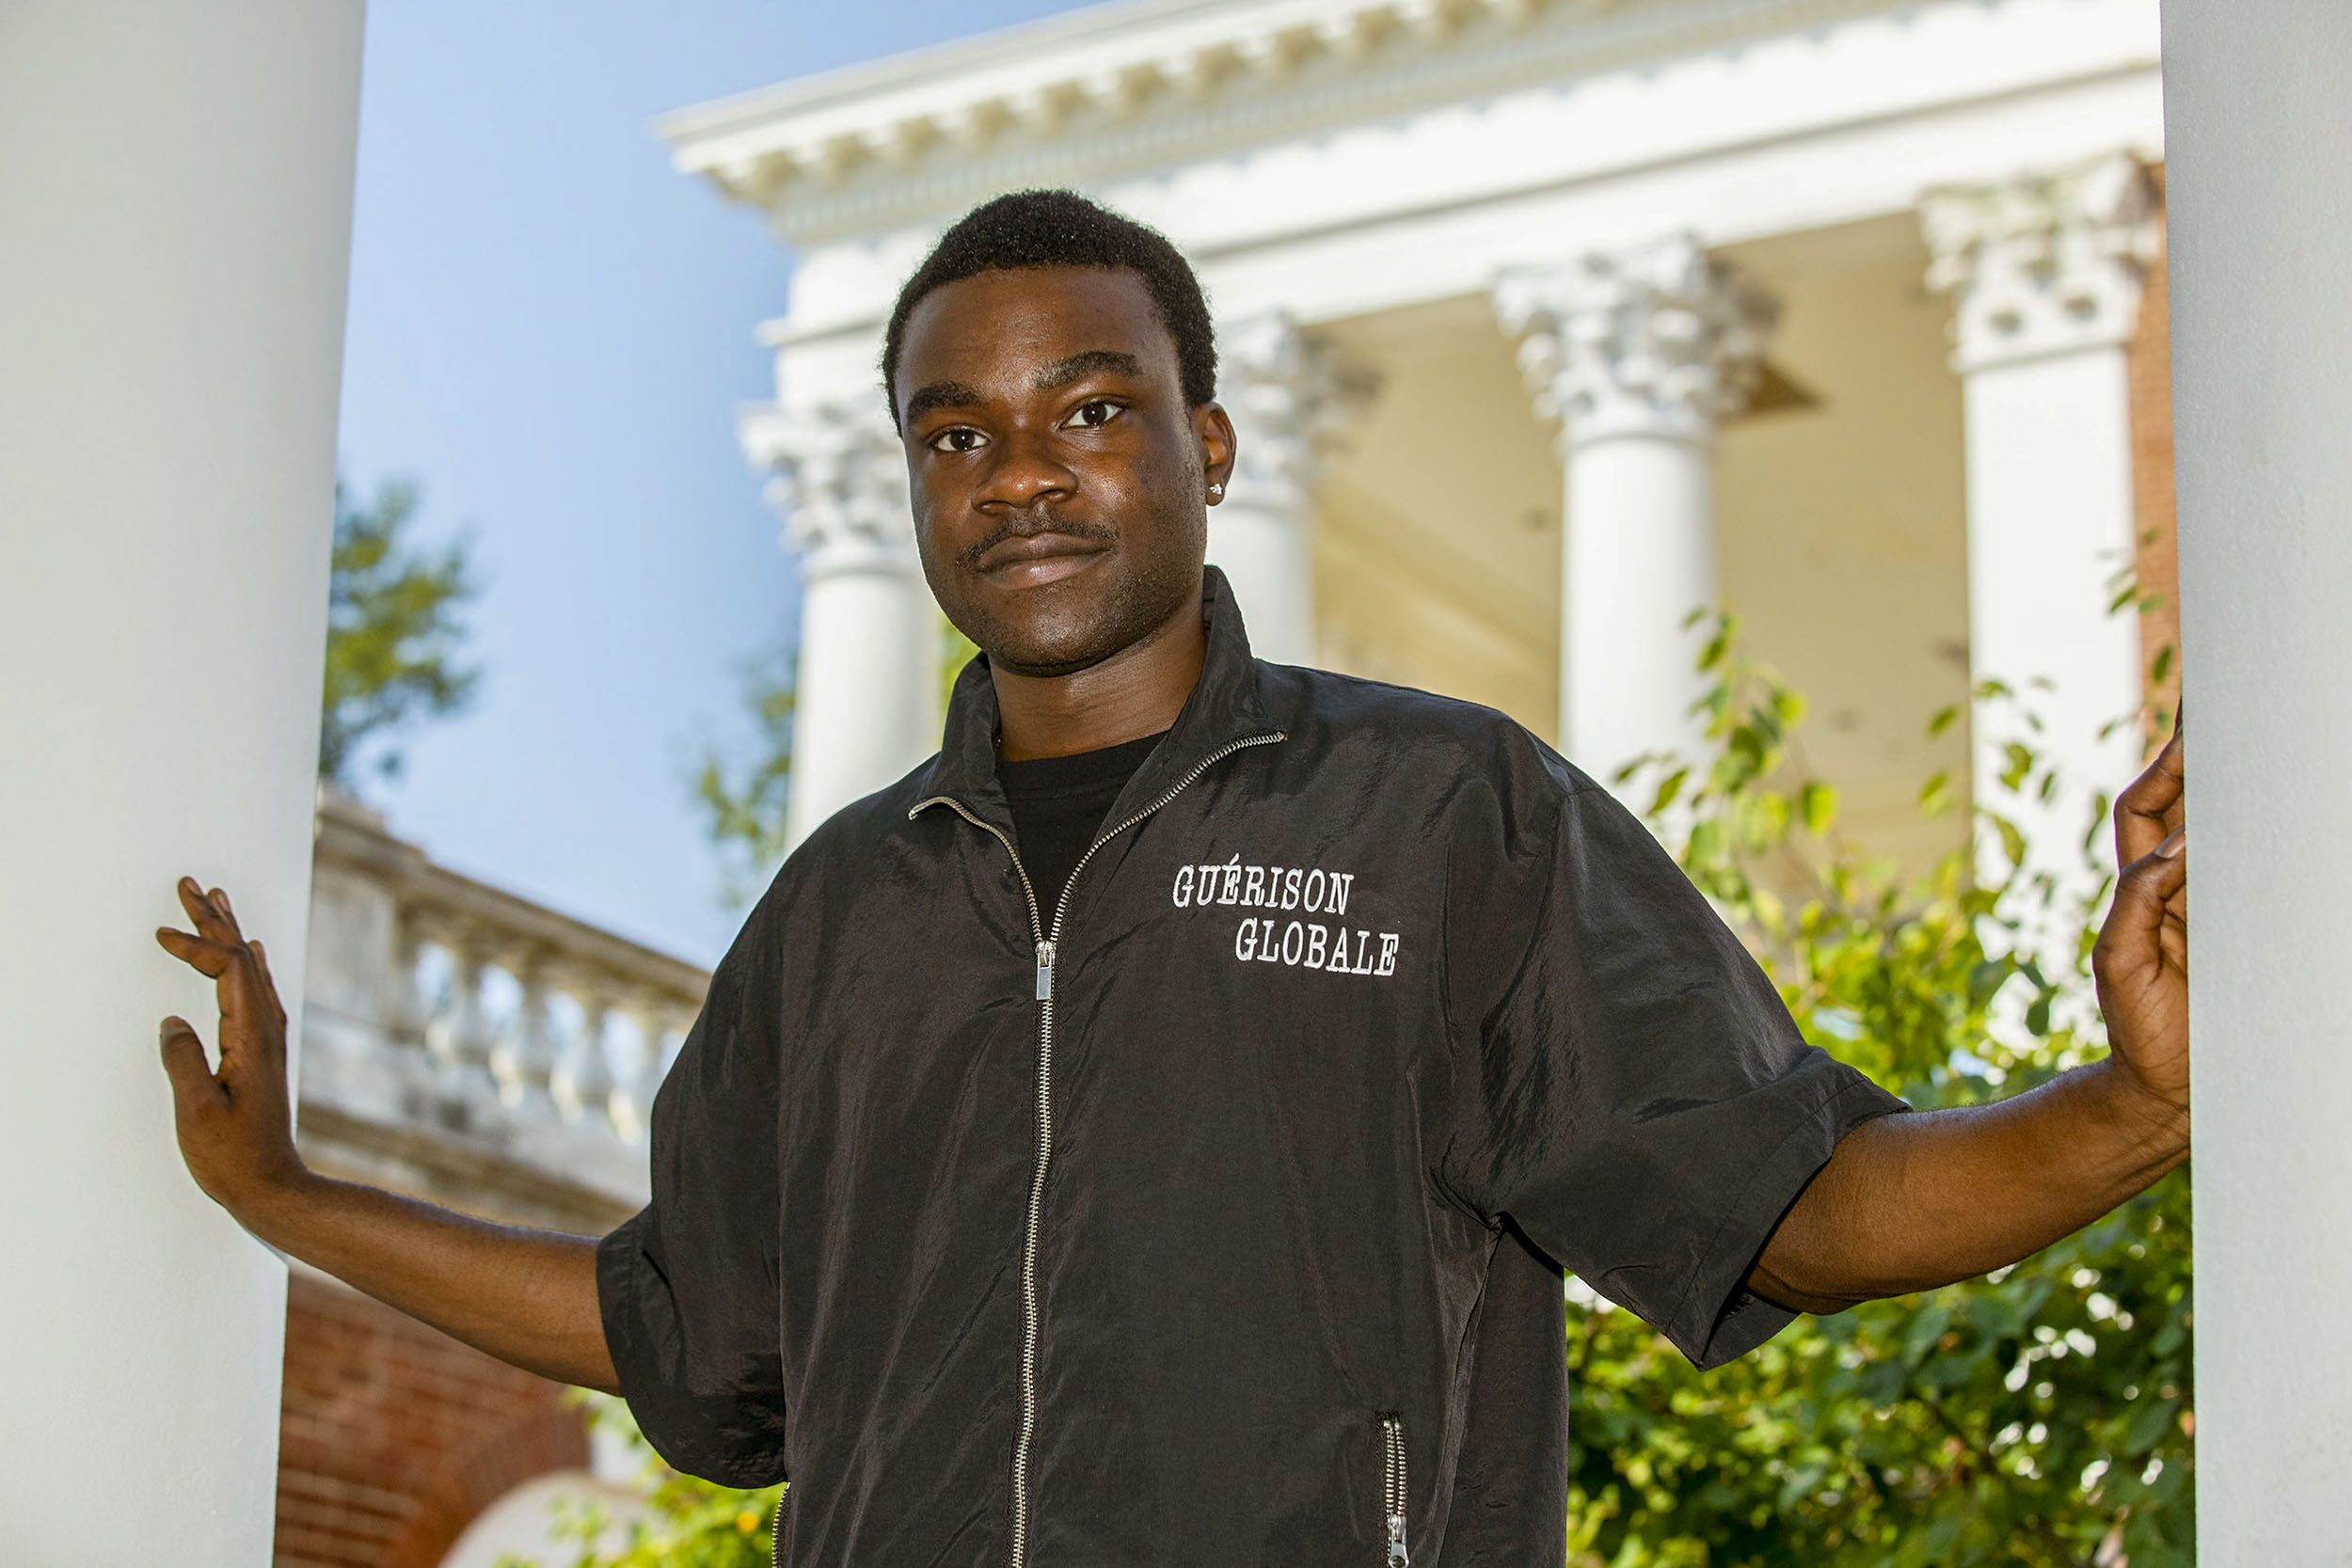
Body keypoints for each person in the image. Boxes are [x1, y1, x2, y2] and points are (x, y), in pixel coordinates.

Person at [155, 190, 2189, 1567]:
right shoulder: (840, 918)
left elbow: (1785, 1200)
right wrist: (287, 1195)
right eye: (953, 436)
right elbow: (685, 1329)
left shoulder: (1441, 815)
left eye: (1089, 409)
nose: (1017, 474)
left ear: (1205, 441)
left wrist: (2127, 1108)